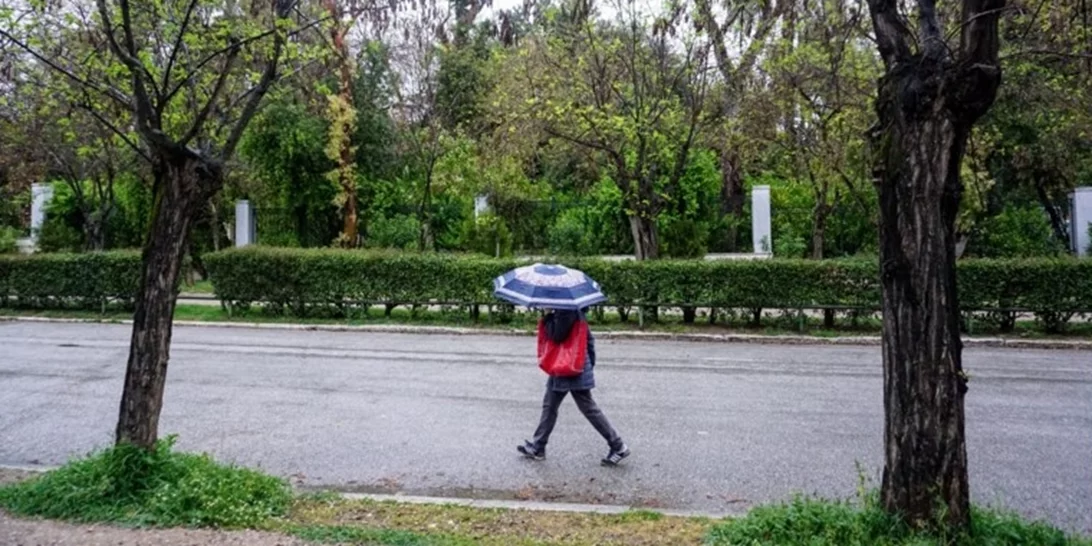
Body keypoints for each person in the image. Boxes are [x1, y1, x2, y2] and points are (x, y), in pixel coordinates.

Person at [518, 308, 630, 466]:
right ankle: (538, 447)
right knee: (550, 405)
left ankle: (618, 446)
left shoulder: (566, 312)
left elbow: (556, 336)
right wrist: (589, 364)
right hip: (569, 366)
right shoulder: (575, 310)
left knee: (588, 409)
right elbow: (589, 341)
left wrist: (547, 316)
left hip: (570, 368)